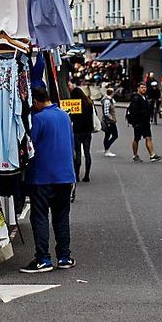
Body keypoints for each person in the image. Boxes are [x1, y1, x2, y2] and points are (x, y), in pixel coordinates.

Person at [20, 86, 77, 273]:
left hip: (42, 177)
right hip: (65, 176)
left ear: (35, 102)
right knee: (61, 217)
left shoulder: (38, 119)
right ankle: (64, 257)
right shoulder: (64, 116)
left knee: (40, 217)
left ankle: (43, 259)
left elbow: (30, 147)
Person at [126, 82, 162, 163]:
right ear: (138, 88)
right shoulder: (136, 98)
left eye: (145, 87)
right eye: (142, 87)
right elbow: (134, 111)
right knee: (137, 138)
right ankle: (135, 155)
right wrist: (136, 122)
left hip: (145, 122)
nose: (144, 89)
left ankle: (152, 155)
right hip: (138, 122)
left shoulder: (144, 97)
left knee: (148, 137)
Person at [70, 81, 94, 183]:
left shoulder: (75, 105)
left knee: (78, 153)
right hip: (87, 131)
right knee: (87, 152)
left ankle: (77, 175)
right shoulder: (89, 103)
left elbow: (72, 118)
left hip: (77, 131)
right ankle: (87, 175)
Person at [100, 87, 119, 157]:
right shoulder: (107, 101)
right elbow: (106, 113)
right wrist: (112, 119)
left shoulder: (109, 100)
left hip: (109, 121)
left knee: (107, 135)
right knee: (115, 135)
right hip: (109, 122)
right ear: (112, 93)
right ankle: (107, 149)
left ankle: (106, 149)